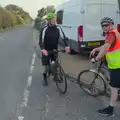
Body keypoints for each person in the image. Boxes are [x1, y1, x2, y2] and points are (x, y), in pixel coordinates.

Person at [90, 17, 120, 117]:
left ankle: (110, 110)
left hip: (117, 66)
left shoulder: (111, 34)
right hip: (116, 64)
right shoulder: (114, 32)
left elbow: (105, 49)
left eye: (106, 25)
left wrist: (96, 59)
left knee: (113, 88)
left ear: (111, 24)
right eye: (102, 25)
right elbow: (106, 46)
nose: (104, 27)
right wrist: (96, 48)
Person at [39, 13, 70, 86]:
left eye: (55, 19)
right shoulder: (45, 29)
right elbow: (41, 41)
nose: (55, 21)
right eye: (53, 20)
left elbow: (64, 38)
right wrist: (43, 49)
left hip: (54, 50)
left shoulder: (58, 28)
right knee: (45, 67)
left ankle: (55, 76)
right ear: (49, 21)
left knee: (54, 63)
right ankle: (44, 78)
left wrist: (67, 46)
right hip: (46, 50)